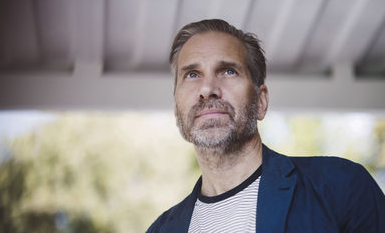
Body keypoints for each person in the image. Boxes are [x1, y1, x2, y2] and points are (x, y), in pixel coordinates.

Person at [146, 19, 385, 232]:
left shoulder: (341, 188)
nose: (208, 89)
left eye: (228, 71)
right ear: (177, 106)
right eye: (192, 75)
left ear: (260, 101)